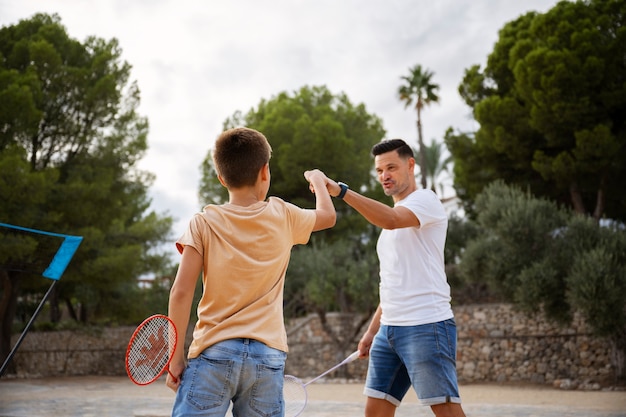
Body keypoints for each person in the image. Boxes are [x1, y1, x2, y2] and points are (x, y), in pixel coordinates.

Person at [166, 127, 336, 416]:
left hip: (213, 352)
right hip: (266, 357)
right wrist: (318, 181)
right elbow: (328, 217)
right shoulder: (284, 215)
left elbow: (181, 292)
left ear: (221, 179)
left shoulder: (203, 223)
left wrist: (175, 358)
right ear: (265, 171)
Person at [315, 138, 466, 417]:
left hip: (426, 324)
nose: (384, 175)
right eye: (379, 170)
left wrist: (340, 191)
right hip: (389, 331)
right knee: (375, 412)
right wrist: (373, 332)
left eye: (391, 168)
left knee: (447, 412)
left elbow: (392, 219)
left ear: (411, 166)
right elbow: (392, 286)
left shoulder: (425, 201)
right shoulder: (387, 232)